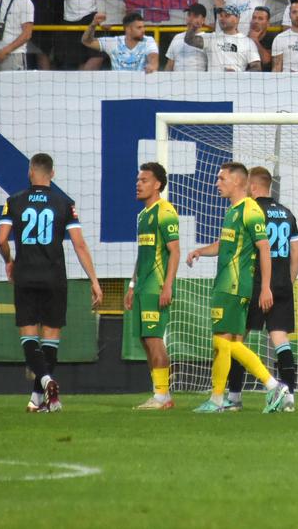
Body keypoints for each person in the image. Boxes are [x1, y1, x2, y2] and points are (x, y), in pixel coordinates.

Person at [0, 153, 103, 413]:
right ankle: (39, 399)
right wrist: (94, 281)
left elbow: (1, 240)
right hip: (54, 276)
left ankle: (43, 385)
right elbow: (79, 244)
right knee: (51, 337)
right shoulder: (64, 203)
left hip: (26, 275)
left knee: (29, 336)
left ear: (30, 172)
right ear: (52, 174)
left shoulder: (14, 201)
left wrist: (10, 260)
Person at [185, 161, 289, 413]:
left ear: (238, 182)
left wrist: (265, 287)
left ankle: (273, 385)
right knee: (224, 342)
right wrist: (201, 251)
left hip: (234, 286)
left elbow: (264, 247)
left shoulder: (250, 210)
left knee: (224, 343)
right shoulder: (233, 210)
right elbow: (224, 244)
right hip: (226, 284)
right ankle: (218, 399)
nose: (216, 183)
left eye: (221, 179)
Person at [223, 167, 298, 411]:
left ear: (253, 187)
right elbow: (297, 254)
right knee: (280, 340)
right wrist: (288, 281)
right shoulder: (287, 213)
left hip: (256, 284)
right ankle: (288, 399)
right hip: (282, 284)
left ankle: (234, 398)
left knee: (237, 339)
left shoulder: (252, 211)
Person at [126, 162, 181, 410]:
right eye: (138, 180)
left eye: (144, 180)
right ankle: (160, 394)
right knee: (146, 341)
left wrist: (167, 286)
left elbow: (175, 251)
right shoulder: (142, 215)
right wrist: (131, 284)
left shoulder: (165, 211)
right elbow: (143, 254)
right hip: (142, 287)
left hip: (156, 287)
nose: (138, 184)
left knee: (155, 339)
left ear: (157, 184)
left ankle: (162, 397)